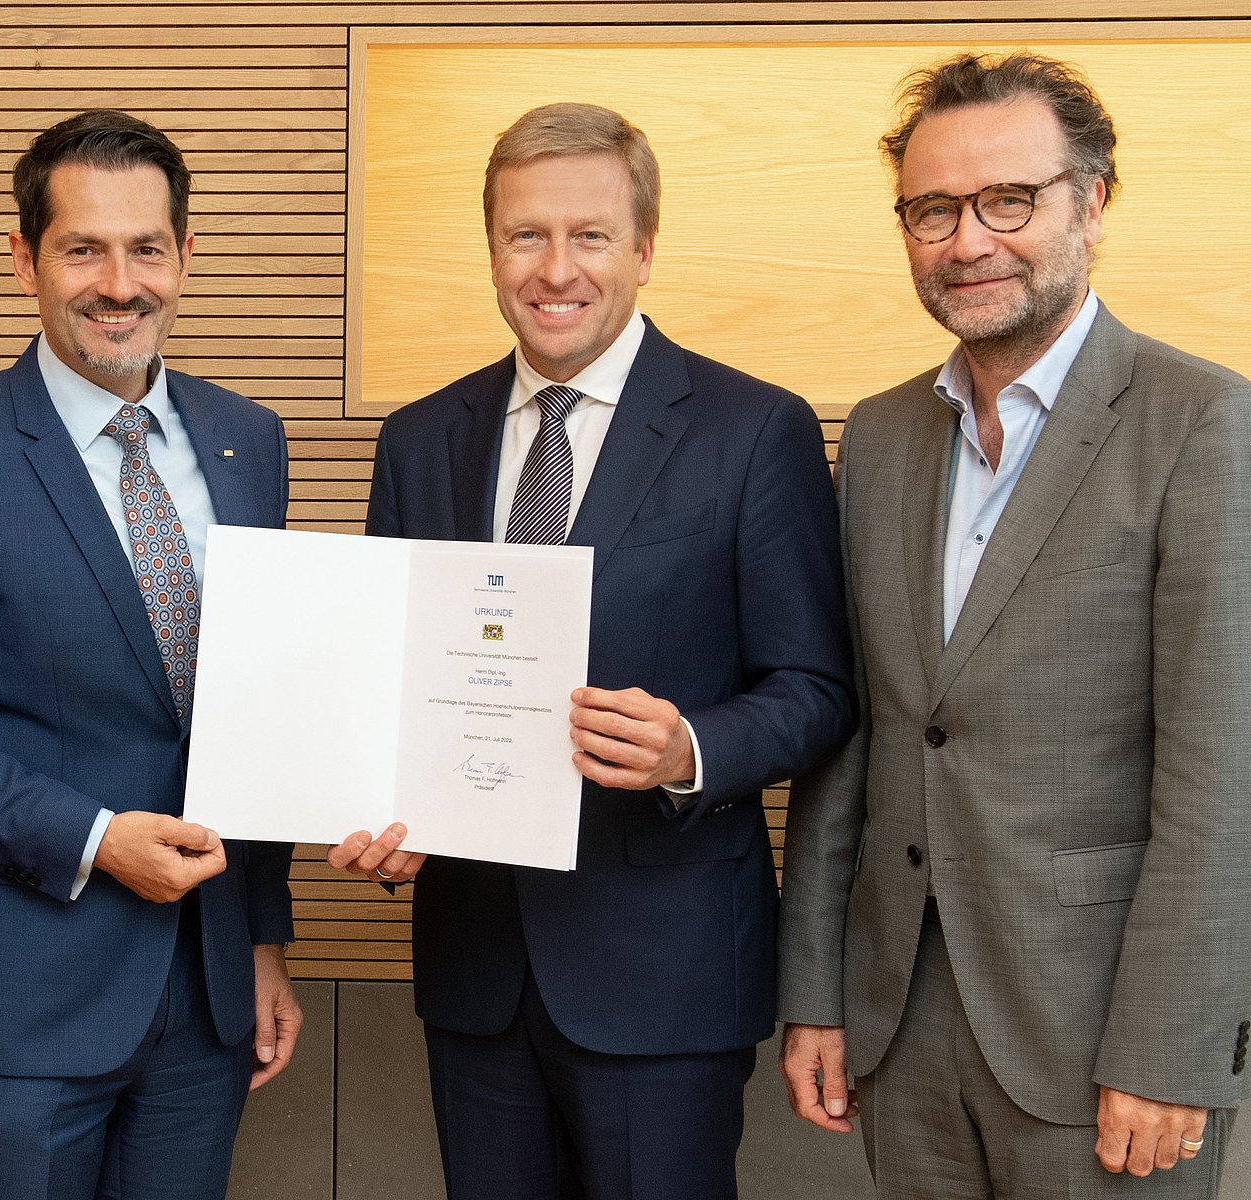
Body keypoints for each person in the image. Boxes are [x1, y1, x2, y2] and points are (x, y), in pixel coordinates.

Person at [329, 102, 855, 1198]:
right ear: (491, 249)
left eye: (590, 235)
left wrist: (688, 750)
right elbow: (388, 685)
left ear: (645, 248)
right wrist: (374, 802)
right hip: (476, 969)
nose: (554, 268)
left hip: (663, 974)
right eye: (526, 235)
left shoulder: (755, 429)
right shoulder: (421, 439)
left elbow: (817, 690)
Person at [778, 52, 1251, 1196]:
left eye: (1010, 201)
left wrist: (1169, 1048)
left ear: (1092, 203)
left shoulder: (1204, 424)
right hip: (902, 1023)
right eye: (933, 209)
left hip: (1101, 1041)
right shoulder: (883, 438)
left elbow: (1220, 773)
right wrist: (818, 993)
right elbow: (862, 738)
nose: (969, 241)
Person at [0, 109, 301, 1200]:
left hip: (207, 991)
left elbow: (260, 709)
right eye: (83, 247)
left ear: (187, 257)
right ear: (24, 259)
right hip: (24, 990)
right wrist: (91, 838)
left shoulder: (251, 440)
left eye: (147, 247)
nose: (119, 282)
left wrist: (264, 940)